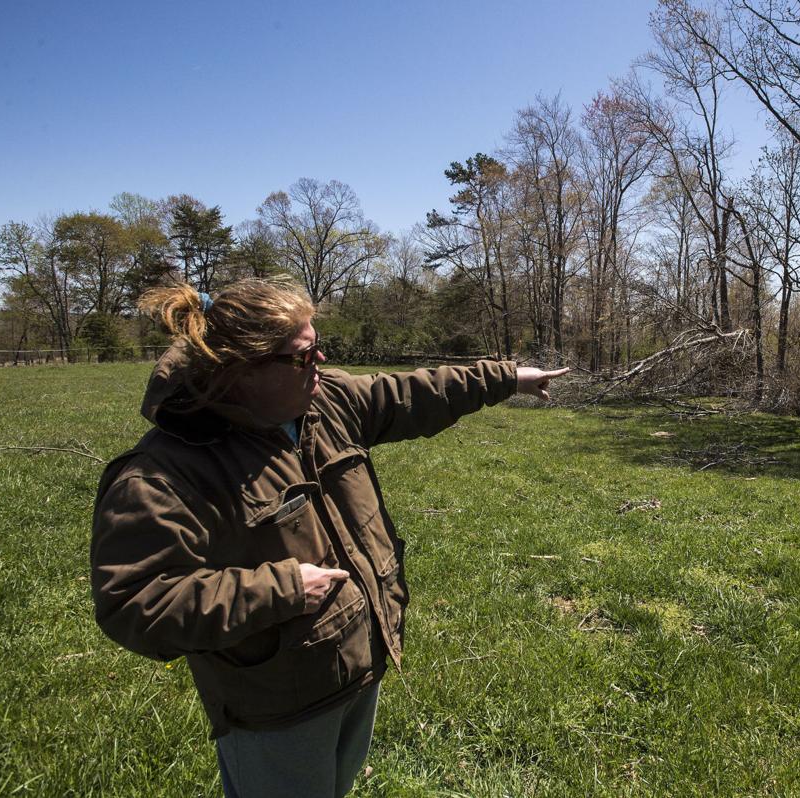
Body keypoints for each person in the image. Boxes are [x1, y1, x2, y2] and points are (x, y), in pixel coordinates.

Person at [90, 277, 568, 798]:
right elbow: (136, 603)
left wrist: (507, 378)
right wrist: (283, 589)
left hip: (358, 660)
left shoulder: (325, 402)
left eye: (318, 345)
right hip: (277, 704)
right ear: (240, 370)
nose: (319, 360)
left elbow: (409, 392)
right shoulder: (164, 475)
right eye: (303, 355)